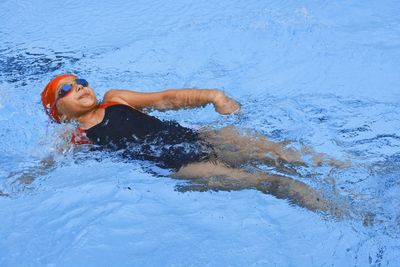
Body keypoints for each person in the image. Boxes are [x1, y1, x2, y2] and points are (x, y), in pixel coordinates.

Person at [36, 74, 348, 217]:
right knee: (270, 182)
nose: (79, 87)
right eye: (66, 89)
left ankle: (354, 169)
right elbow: (41, 166)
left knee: (288, 155)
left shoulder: (117, 98)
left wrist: (212, 96)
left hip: (198, 137)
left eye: (81, 82)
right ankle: (345, 211)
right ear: (58, 112)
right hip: (181, 166)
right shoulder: (72, 137)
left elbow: (166, 99)